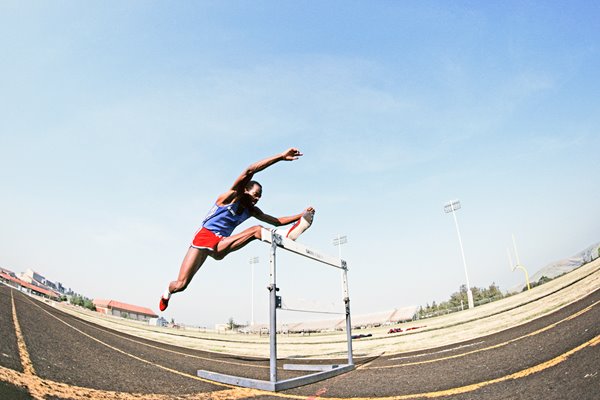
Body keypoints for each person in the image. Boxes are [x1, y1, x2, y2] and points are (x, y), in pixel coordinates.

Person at [159, 148, 315, 311]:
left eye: (260, 197)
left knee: (256, 230)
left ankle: (288, 235)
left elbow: (277, 221)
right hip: (204, 238)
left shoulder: (252, 210)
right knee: (181, 285)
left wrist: (302, 215)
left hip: (222, 244)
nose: (257, 199)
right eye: (256, 194)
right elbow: (250, 169)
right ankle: (167, 292)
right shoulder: (231, 196)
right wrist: (281, 157)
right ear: (246, 190)